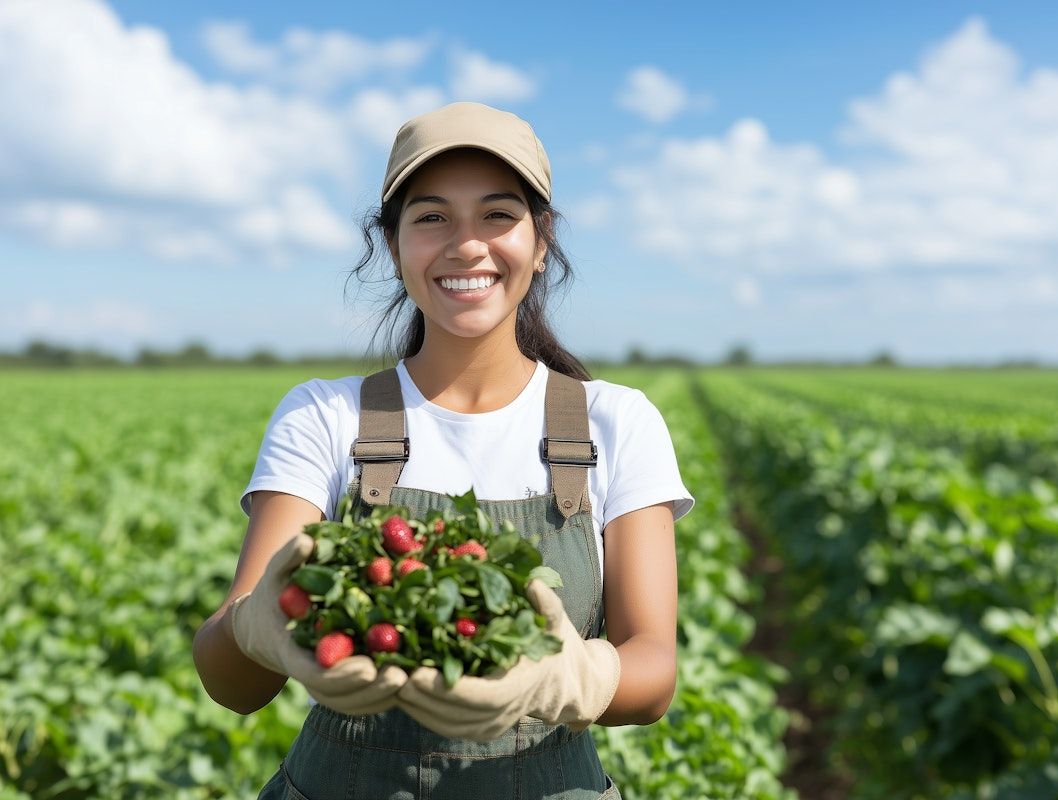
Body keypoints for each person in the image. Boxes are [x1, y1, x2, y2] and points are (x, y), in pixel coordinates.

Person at [192, 101, 695, 799]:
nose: (466, 245)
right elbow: (234, 687)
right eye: (431, 217)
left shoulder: (617, 422)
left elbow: (653, 674)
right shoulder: (325, 416)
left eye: (498, 215)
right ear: (394, 245)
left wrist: (560, 676)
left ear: (541, 240)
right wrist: (255, 627)